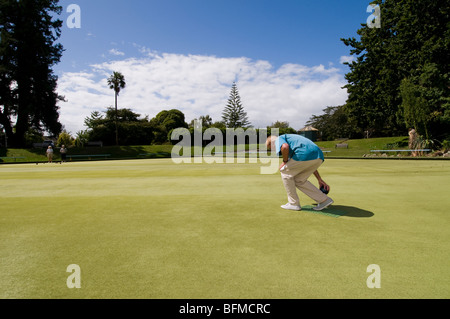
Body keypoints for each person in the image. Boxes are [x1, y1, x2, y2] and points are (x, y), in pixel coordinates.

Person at [266, 134, 334, 211]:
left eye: (270, 148)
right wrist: (319, 179)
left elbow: (285, 147)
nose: (273, 150)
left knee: (285, 171)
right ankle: (324, 200)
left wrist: (285, 162)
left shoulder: (278, 139)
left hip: (303, 155)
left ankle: (293, 204)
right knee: (299, 180)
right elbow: (307, 164)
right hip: (318, 156)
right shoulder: (293, 144)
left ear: (271, 144)